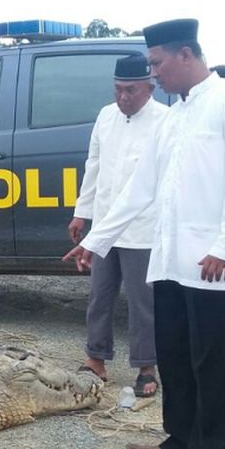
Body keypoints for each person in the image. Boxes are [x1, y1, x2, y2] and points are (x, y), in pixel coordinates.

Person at [62, 19, 225, 449]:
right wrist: (97, 241)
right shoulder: (176, 117)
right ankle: (179, 439)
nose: (153, 74)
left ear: (186, 55)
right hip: (171, 260)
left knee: (211, 362)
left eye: (157, 64)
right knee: (174, 354)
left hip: (215, 262)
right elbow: (139, 189)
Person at [69, 54, 167, 397]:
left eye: (131, 91)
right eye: (118, 90)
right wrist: (82, 212)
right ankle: (96, 359)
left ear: (149, 87)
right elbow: (93, 166)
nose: (124, 97)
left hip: (143, 228)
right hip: (104, 226)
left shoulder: (164, 121)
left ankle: (146, 367)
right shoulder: (106, 117)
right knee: (100, 295)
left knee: (144, 301)